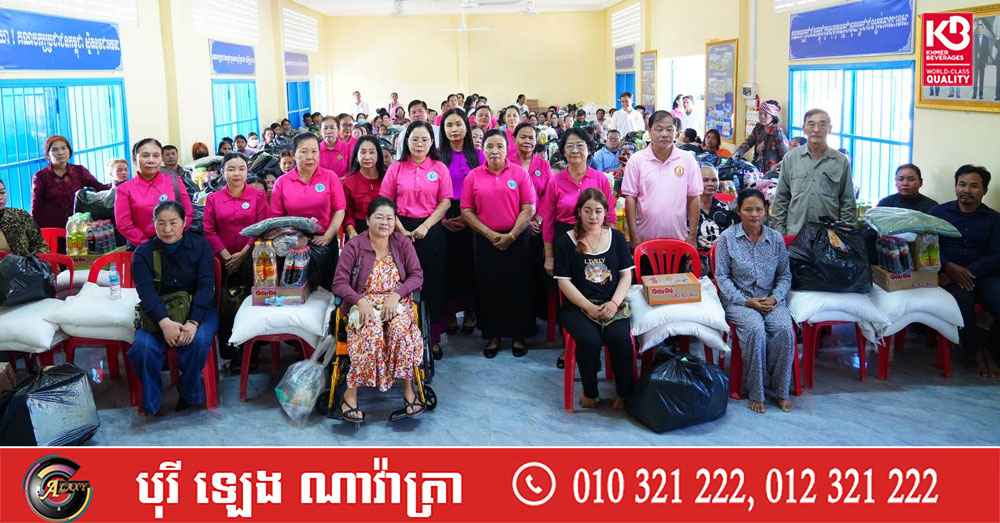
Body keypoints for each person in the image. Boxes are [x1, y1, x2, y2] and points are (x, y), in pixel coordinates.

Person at [331, 197, 425, 425]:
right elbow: (339, 283)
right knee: (370, 334)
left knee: (401, 332)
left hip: (396, 302)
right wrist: (359, 300)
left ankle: (409, 390)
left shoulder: (402, 243)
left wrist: (396, 295)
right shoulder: (354, 246)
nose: (385, 223)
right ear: (367, 219)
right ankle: (350, 396)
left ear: (395, 221)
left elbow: (417, 276)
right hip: (364, 303)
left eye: (389, 218)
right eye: (379, 217)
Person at [128, 200, 217, 415]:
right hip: (159, 312)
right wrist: (164, 323)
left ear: (184, 222)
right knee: (143, 349)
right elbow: (146, 293)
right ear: (154, 224)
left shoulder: (200, 246)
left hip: (198, 309)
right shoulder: (143, 253)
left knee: (198, 342)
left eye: (173, 222)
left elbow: (206, 286)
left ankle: (189, 392)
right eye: (161, 223)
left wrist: (193, 322)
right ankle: (152, 401)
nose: (167, 229)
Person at [714, 188, 795, 413]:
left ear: (766, 211)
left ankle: (781, 390)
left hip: (770, 299)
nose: (754, 214)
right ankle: (756, 392)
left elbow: (785, 275)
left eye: (759, 209)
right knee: (755, 330)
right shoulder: (727, 239)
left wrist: (775, 298)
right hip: (739, 302)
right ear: (738, 211)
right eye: (748, 210)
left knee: (784, 330)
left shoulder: (775, 239)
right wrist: (746, 302)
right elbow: (722, 277)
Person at [553, 188, 635, 409]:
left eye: (598, 211)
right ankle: (590, 392)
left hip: (612, 303)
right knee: (589, 340)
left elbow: (626, 276)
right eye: (587, 211)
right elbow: (563, 282)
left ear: (606, 212)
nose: (593, 216)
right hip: (578, 307)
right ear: (579, 212)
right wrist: (588, 306)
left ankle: (624, 393)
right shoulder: (566, 241)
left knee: (620, 339)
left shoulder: (617, 238)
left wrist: (614, 303)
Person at [460, 129, 537, 358]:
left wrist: (511, 235)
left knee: (519, 286)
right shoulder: (473, 176)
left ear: (507, 149)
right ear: (483, 149)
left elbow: (529, 207)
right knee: (488, 287)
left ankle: (518, 335)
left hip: (517, 239)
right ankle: (492, 335)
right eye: (490, 146)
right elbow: (466, 210)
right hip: (485, 240)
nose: (494, 151)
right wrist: (489, 234)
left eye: (499, 146)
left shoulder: (519, 173)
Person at [380, 121, 452, 359]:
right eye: (414, 139)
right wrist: (401, 230)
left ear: (432, 143)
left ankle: (433, 338)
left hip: (431, 231)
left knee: (433, 283)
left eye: (424, 139)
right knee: (402, 284)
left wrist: (425, 226)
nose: (419, 144)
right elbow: (386, 203)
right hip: (399, 230)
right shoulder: (396, 168)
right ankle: (404, 338)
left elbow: (445, 202)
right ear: (406, 142)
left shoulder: (439, 168)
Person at [929, 165, 1000, 378]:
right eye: (962, 184)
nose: (966, 190)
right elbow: (927, 246)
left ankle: (991, 350)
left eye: (974, 186)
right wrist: (949, 266)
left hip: (985, 275)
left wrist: (965, 272)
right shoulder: (938, 214)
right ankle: (974, 352)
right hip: (948, 276)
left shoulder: (995, 219)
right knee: (962, 305)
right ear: (956, 186)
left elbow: (997, 255)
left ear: (984, 190)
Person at [203, 153, 268, 362]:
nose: (236, 173)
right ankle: (230, 352)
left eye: (241, 168)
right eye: (231, 169)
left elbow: (262, 227)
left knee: (253, 304)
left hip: (252, 260)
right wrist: (227, 257)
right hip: (222, 262)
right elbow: (209, 231)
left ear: (247, 171)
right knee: (226, 306)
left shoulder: (258, 196)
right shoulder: (213, 199)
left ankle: (252, 352)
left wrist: (242, 254)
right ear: (223, 173)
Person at [269, 133, 346, 289]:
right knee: (295, 291)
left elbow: (339, 209)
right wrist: (293, 240)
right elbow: (276, 218)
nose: (310, 157)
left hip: (323, 242)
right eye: (304, 152)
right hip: (293, 244)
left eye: (314, 151)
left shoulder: (330, 177)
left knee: (326, 289)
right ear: (293, 154)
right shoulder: (282, 183)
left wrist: (328, 236)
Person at [622, 111, 702, 249]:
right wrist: (634, 236)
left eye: (669, 129)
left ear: (676, 132)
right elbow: (630, 199)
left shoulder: (687, 160)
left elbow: (694, 197)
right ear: (649, 131)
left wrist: (692, 236)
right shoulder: (636, 160)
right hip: (645, 242)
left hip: (679, 241)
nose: (664, 134)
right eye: (659, 129)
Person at [771, 108, 856, 236]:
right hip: (795, 234)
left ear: (829, 129)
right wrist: (781, 233)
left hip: (829, 237)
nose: (816, 129)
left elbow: (847, 202)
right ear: (804, 128)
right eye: (811, 124)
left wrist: (843, 235)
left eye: (822, 125)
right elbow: (781, 198)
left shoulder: (841, 161)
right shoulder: (791, 158)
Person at [439, 108, 484, 340]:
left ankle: (470, 313)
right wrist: (443, 220)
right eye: (449, 125)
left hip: (474, 215)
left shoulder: (478, 155)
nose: (454, 129)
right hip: (445, 214)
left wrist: (470, 218)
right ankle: (449, 315)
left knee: (471, 266)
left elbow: (485, 190)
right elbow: (432, 192)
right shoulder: (437, 156)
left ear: (467, 127)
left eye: (458, 124)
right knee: (449, 268)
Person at [115, 138, 194, 248]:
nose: (151, 160)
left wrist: (175, 236)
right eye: (145, 156)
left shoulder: (175, 181)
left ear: (161, 159)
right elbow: (124, 225)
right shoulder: (124, 189)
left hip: (177, 244)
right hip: (143, 247)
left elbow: (188, 213)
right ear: (134, 159)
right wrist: (147, 245)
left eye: (156, 156)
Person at [30, 135, 110, 230]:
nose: (60, 153)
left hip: (77, 227)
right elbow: (36, 207)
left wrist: (119, 184)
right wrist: (34, 230)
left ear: (69, 151)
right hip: (51, 228)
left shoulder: (79, 171)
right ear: (48, 154)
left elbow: (99, 187)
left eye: (63, 148)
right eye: (55, 150)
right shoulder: (40, 177)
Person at [343, 136, 386, 239]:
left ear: (378, 155)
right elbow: (347, 214)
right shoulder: (348, 182)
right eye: (362, 152)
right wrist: (351, 231)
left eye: (372, 152)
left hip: (385, 228)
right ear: (356, 156)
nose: (367, 157)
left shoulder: (388, 178)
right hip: (359, 231)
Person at [696, 164, 736, 270]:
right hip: (694, 259)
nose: (710, 184)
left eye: (714, 180)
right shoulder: (686, 209)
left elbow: (732, 239)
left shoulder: (726, 209)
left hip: (722, 260)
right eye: (705, 180)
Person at [734, 100, 789, 173]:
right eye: (760, 114)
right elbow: (748, 142)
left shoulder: (778, 133)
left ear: (773, 116)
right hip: (757, 166)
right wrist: (737, 153)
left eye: (765, 114)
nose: (762, 117)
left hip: (771, 171)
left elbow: (786, 156)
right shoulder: (759, 127)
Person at [0, 179, 48, 255]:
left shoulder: (20, 215)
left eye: (2, 192)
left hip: (26, 262)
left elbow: (41, 246)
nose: (0, 197)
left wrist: (34, 260)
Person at [973, 23, 989, 100]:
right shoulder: (974, 37)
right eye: (978, 28)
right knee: (975, 78)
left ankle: (981, 94)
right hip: (975, 62)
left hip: (982, 62)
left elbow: (987, 51)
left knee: (981, 79)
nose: (980, 30)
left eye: (981, 28)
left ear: (983, 29)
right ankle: (974, 94)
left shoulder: (986, 38)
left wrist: (986, 61)